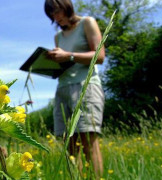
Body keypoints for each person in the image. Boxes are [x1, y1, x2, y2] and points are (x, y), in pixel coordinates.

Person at [44, 0, 105, 178]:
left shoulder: (87, 22)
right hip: (62, 87)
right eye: (52, 15)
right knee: (68, 143)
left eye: (57, 12)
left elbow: (100, 56)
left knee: (87, 141)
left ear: (66, 7)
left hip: (85, 85)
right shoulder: (58, 37)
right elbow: (62, 62)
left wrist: (68, 56)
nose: (56, 17)